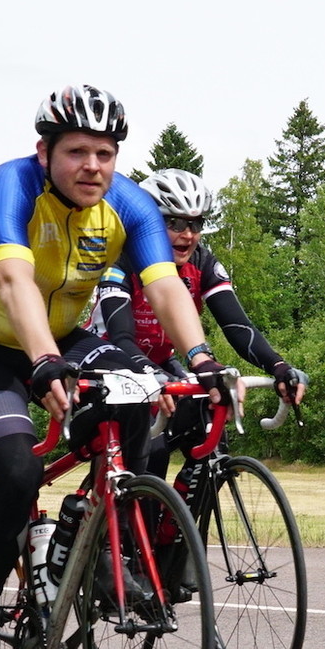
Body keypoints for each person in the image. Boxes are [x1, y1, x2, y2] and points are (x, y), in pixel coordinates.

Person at [0, 85, 229, 649]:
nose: (92, 166)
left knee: (138, 390)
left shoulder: (128, 204)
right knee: (19, 474)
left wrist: (201, 359)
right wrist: (43, 361)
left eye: (105, 153)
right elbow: (13, 281)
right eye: (77, 152)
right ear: (44, 152)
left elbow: (166, 286)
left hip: (66, 338)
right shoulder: (9, 187)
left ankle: (97, 541)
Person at [90, 168, 308, 492]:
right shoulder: (123, 259)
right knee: (153, 450)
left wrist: (278, 366)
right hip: (110, 365)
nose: (188, 235)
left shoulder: (202, 263)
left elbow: (238, 326)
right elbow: (121, 338)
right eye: (174, 223)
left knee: (213, 430)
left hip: (160, 364)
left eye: (196, 224)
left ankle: (180, 517)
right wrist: (152, 374)